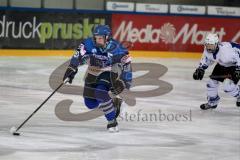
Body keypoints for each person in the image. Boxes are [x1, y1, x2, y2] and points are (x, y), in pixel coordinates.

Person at [63, 25, 132, 132]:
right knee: (90, 104)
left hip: (109, 72)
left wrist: (124, 81)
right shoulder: (88, 44)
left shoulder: (117, 48)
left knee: (100, 92)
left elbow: (127, 64)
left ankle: (111, 121)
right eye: (96, 38)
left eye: (100, 38)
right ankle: (114, 102)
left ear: (107, 37)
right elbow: (77, 56)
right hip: (93, 71)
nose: (97, 40)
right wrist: (72, 68)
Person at [193, 33, 240, 110]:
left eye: (211, 45)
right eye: (207, 45)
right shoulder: (207, 50)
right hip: (222, 64)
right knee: (211, 83)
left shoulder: (226, 52)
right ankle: (212, 102)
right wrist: (200, 69)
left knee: (228, 86)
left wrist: (238, 70)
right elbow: (206, 59)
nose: (209, 48)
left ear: (216, 44)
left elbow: (239, 56)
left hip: (235, 66)